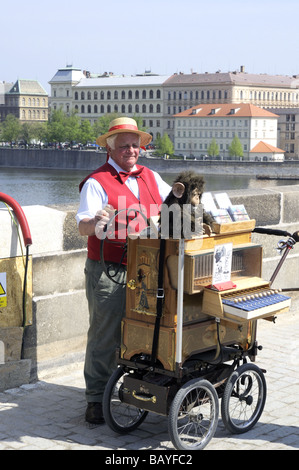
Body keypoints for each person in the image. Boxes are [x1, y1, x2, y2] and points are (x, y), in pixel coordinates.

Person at [76, 117, 171, 424]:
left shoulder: (151, 177)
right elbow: (82, 225)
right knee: (104, 336)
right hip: (109, 270)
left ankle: (135, 389)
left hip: (148, 270)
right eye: (124, 146)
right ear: (110, 148)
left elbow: (175, 205)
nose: (131, 151)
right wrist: (97, 223)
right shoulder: (96, 181)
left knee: (146, 333)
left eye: (136, 145)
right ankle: (94, 398)